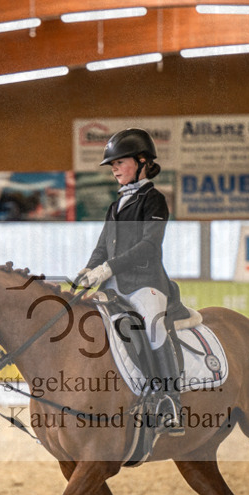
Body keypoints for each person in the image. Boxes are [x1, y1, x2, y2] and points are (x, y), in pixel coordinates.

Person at [76, 128, 185, 427]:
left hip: (145, 285)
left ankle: (169, 402)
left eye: (120, 162)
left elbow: (148, 246)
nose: (113, 169)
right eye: (112, 164)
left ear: (142, 162)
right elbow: (102, 246)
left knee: (152, 325)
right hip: (113, 287)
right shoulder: (116, 206)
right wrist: (88, 271)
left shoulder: (155, 201)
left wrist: (108, 268)